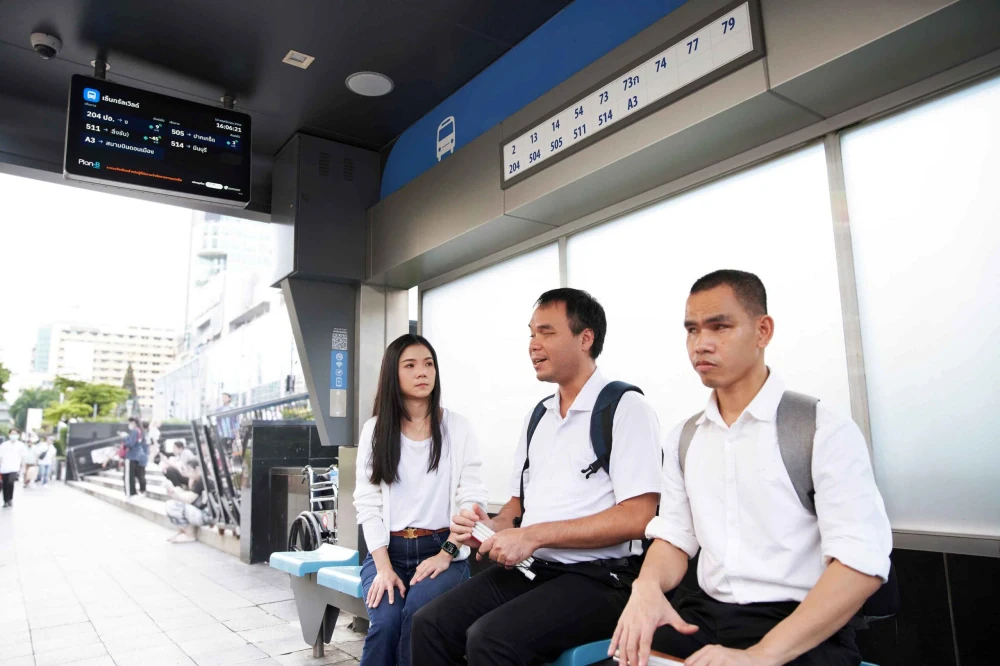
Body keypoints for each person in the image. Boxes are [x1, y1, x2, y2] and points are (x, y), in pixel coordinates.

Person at [609, 270, 892, 666]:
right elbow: (674, 537)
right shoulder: (683, 439)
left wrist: (762, 655)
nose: (701, 343)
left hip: (802, 624)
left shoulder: (821, 429)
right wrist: (648, 586)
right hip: (707, 616)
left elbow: (861, 563)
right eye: (692, 330)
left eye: (719, 327)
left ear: (763, 331)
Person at [412, 288, 664, 666]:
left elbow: (639, 516)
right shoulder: (540, 417)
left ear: (586, 338)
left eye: (546, 333)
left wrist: (533, 536)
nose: (533, 345)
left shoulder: (627, 409)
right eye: (531, 334)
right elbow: (517, 507)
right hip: (534, 571)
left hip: (600, 580)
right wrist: (490, 526)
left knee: (490, 640)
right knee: (429, 623)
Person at [354, 334, 489, 666]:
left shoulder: (458, 428)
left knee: (417, 616)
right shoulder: (375, 430)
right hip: (389, 553)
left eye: (428, 364)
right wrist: (383, 568)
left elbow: (471, 500)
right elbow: (368, 505)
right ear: (393, 375)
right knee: (385, 623)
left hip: (443, 549)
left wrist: (447, 554)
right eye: (410, 365)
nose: (422, 372)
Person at [165, 459, 210, 543]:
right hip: (205, 514)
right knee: (174, 503)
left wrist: (174, 491)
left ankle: (190, 534)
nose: (187, 472)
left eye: (188, 470)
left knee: (171, 505)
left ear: (197, 469)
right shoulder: (200, 479)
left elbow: (188, 500)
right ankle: (182, 531)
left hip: (207, 516)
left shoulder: (203, 480)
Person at [0, 429, 27, 507]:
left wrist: (23, 467)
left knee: (10, 482)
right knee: (5, 484)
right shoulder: (4, 445)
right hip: (4, 468)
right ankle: (5, 500)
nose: (13, 435)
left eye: (15, 434)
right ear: (9, 434)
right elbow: (0, 456)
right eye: (12, 433)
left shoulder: (21, 445)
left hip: (14, 467)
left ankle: (10, 499)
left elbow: (23, 457)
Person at [123, 417, 148, 497]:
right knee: (134, 476)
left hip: (131, 456)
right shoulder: (140, 431)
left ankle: (130, 493)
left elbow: (130, 444)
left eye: (129, 423)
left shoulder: (135, 431)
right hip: (137, 456)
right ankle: (133, 492)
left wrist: (124, 437)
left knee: (129, 476)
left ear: (133, 422)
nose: (129, 425)